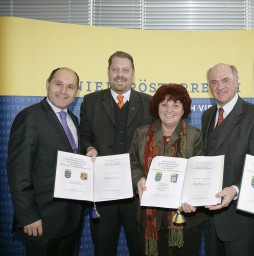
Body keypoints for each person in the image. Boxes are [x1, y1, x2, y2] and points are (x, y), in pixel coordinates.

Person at [80, 51, 152, 256]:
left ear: (133, 73)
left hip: (138, 194)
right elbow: (83, 135)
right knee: (103, 250)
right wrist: (88, 148)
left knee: (141, 250)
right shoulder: (91, 101)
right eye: (115, 69)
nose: (120, 74)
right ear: (108, 72)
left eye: (125, 70)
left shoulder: (150, 103)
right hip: (103, 194)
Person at [7, 67, 83, 256]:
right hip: (41, 221)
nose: (63, 91)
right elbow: (18, 172)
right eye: (58, 84)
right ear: (48, 84)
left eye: (70, 87)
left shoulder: (73, 119)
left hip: (71, 220)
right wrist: (28, 216)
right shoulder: (30, 117)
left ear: (76, 92)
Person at [129, 83, 208, 256]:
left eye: (175, 104)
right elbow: (133, 163)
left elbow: (199, 173)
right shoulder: (141, 134)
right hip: (150, 218)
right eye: (164, 104)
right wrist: (138, 179)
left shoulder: (195, 135)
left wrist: (191, 197)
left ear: (184, 109)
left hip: (185, 219)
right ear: (156, 107)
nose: (169, 109)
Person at [201, 63, 254, 255]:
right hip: (210, 218)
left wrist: (236, 189)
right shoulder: (207, 116)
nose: (219, 86)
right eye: (213, 82)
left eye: (225, 80)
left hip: (241, 219)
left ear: (237, 82)